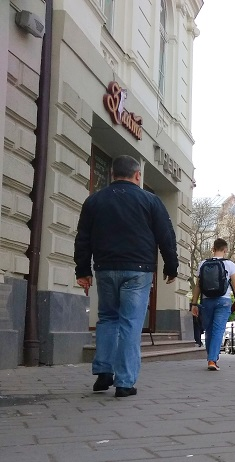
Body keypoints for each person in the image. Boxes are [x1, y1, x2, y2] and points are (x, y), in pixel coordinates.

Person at [74, 155, 178, 398]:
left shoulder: (94, 201)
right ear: (137, 175)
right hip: (138, 270)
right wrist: (171, 267)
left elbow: (83, 238)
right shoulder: (150, 200)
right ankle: (124, 382)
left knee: (107, 318)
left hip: (105, 268)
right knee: (130, 323)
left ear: (112, 174)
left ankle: (103, 372)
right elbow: (166, 236)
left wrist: (83, 270)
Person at [191, 238, 235, 371]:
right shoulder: (229, 264)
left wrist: (194, 303)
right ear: (225, 250)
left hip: (206, 301)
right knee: (218, 330)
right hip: (223, 301)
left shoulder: (203, 264)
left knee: (209, 330)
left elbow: (198, 286)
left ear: (213, 249)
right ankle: (212, 360)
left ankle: (211, 358)